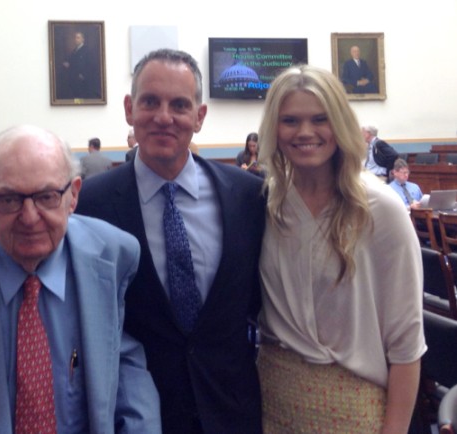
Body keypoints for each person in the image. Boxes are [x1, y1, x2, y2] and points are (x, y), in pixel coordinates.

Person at [0, 124, 161, 433]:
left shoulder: (115, 257)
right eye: (9, 199)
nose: (30, 217)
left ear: (73, 195)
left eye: (47, 196)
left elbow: (124, 363)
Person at [76, 48, 266, 433]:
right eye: (150, 102)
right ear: (129, 109)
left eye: (179, 104)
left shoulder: (248, 197)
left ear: (199, 116)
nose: (164, 117)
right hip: (139, 415)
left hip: (233, 410)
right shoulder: (89, 203)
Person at [256, 65, 425, 432]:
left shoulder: (381, 210)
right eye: (290, 120)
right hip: (272, 401)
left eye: (320, 119)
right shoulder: (268, 202)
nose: (305, 132)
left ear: (342, 124)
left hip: (353, 412)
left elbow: (407, 347)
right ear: (274, 128)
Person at [61, 31, 99, 98]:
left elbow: (90, 65)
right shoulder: (74, 50)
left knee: (82, 99)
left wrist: (83, 75)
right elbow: (73, 63)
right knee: (76, 99)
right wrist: (68, 64)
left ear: (83, 39)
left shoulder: (87, 50)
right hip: (74, 79)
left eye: (78, 38)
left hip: (83, 80)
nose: (76, 39)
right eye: (75, 38)